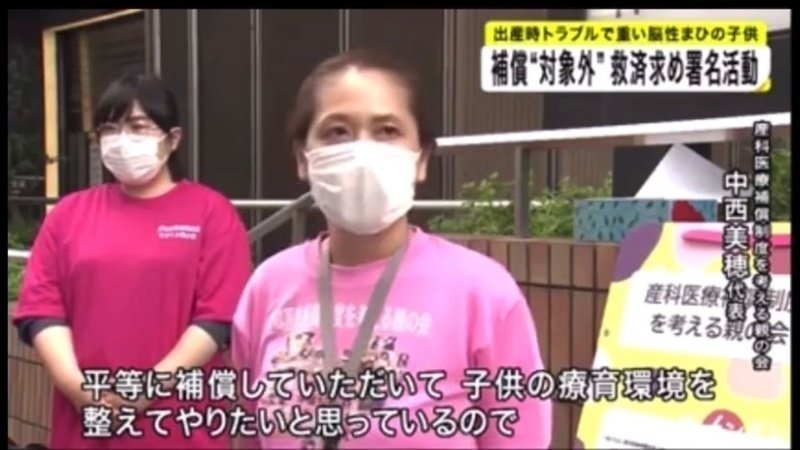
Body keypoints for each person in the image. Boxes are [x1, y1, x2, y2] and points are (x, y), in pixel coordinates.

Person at [232, 49, 552, 449]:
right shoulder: (268, 286)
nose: (362, 154)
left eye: (387, 130)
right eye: (337, 131)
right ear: (303, 157)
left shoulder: (482, 293)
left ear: (421, 159)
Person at [12, 74, 253, 449]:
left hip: (178, 426)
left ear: (173, 138)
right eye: (109, 129)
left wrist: (142, 393)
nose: (122, 140)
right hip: (84, 425)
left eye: (138, 127)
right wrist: (80, 390)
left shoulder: (212, 212)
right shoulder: (69, 214)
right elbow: (41, 310)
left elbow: (218, 317)